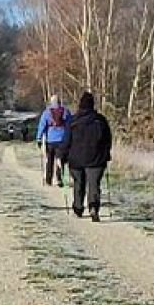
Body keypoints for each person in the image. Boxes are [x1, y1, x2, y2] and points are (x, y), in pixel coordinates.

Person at [65, 91, 112, 222]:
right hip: (96, 159)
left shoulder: (73, 121)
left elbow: (66, 140)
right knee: (94, 184)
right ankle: (94, 208)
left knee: (78, 183)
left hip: (76, 158)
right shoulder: (101, 120)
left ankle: (78, 208)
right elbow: (108, 140)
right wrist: (106, 154)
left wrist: (61, 156)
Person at [35, 95, 70, 187]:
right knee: (60, 160)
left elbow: (42, 126)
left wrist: (39, 138)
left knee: (49, 160)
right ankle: (59, 179)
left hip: (50, 141)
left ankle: (48, 179)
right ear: (59, 101)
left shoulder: (46, 113)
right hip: (62, 140)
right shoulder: (66, 112)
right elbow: (70, 125)